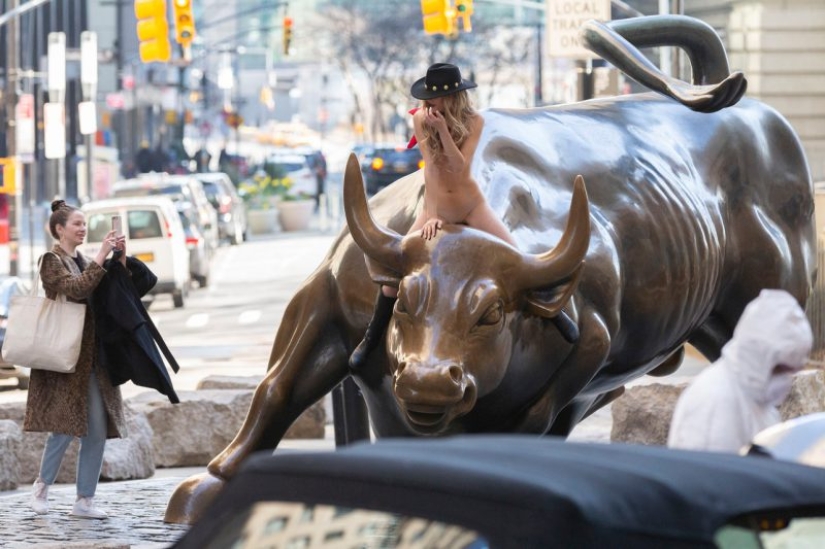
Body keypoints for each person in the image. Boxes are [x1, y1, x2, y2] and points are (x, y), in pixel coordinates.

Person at [349, 63, 517, 370]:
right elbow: (432, 170)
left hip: (471, 206)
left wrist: (442, 130)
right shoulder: (419, 120)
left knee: (516, 257)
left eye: (433, 99)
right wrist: (432, 216)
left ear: (451, 98)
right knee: (394, 269)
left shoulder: (475, 121)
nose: (427, 104)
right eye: (425, 98)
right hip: (434, 207)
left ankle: (555, 319)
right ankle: (371, 340)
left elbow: (458, 166)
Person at [25, 200, 126, 519]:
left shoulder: (84, 259)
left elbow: (109, 291)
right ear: (59, 229)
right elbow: (78, 290)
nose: (83, 229)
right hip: (64, 358)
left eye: (85, 224)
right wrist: (101, 255)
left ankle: (85, 500)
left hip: (93, 359)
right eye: (77, 224)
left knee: (97, 430)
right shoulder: (51, 261)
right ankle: (41, 486)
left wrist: (119, 257)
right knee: (64, 428)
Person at [667, 289, 813, 453]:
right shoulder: (714, 401)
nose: (785, 379)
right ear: (759, 357)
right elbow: (711, 473)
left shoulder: (756, 399)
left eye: (791, 371)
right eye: (780, 369)